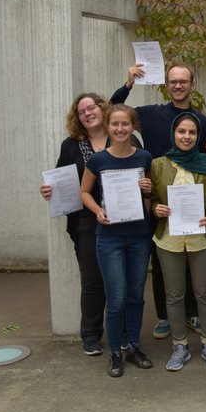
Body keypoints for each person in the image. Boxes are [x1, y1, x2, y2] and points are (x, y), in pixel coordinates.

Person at [111, 62, 206, 338]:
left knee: (191, 256)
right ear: (166, 85)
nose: (178, 86)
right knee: (161, 256)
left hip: (191, 199)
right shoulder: (149, 114)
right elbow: (113, 111)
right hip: (157, 198)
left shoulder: (203, 122)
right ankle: (165, 316)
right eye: (173, 81)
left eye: (184, 81)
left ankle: (191, 313)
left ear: (193, 84)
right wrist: (129, 82)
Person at [39, 93, 135, 356]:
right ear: (77, 118)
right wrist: (49, 190)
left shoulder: (122, 134)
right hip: (87, 221)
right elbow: (60, 178)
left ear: (102, 108)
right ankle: (91, 335)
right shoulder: (71, 145)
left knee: (123, 281)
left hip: (124, 219)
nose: (88, 113)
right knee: (92, 280)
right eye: (82, 111)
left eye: (91, 107)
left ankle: (124, 333)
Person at [79, 104, 154, 378]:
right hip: (109, 237)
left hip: (139, 236)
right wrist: (98, 211)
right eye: (115, 125)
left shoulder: (145, 157)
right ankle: (115, 353)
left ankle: (133, 346)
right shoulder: (98, 160)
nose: (120, 129)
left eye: (125, 124)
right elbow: (84, 192)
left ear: (133, 127)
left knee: (136, 295)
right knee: (117, 296)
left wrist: (148, 191)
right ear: (108, 127)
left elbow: (147, 204)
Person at [150, 112, 206, 371]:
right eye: (181, 131)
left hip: (201, 239)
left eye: (192, 132)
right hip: (169, 240)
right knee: (174, 295)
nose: (186, 136)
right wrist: (156, 209)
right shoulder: (158, 164)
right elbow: (149, 198)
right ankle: (179, 346)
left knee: (205, 293)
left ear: (197, 136)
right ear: (173, 133)